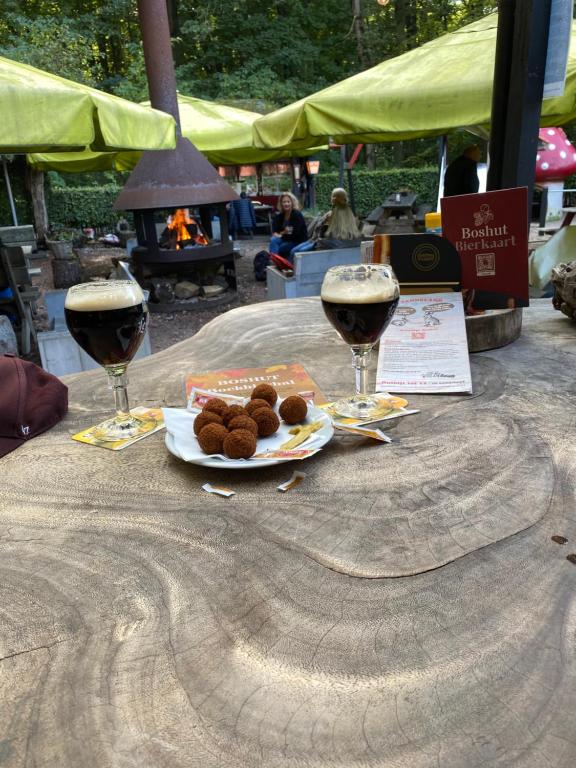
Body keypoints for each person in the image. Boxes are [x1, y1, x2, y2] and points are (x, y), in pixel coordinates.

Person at [290, 187, 361, 260]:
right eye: (332, 196)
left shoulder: (336, 213)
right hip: (316, 240)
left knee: (296, 252)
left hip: (322, 241)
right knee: (294, 251)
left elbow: (327, 233)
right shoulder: (343, 211)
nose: (333, 198)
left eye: (335, 196)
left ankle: (292, 269)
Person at [269, 192, 308, 259]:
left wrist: (281, 234)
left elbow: (295, 233)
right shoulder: (280, 215)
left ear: (292, 202)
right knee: (273, 240)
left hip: (297, 240)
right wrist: (283, 233)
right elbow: (276, 230)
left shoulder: (296, 214)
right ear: (281, 203)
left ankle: (276, 261)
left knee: (281, 247)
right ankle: (275, 260)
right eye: (284, 202)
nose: (286, 204)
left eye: (288, 202)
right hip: (286, 238)